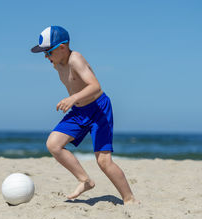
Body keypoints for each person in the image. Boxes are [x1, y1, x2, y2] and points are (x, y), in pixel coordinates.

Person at [31, 26, 137, 204]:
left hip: (98, 109)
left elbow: (95, 86)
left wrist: (73, 98)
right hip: (79, 112)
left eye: (48, 52)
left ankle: (129, 199)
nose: (46, 57)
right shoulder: (57, 64)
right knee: (53, 144)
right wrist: (75, 101)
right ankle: (85, 180)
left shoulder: (76, 59)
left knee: (103, 161)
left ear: (63, 47)